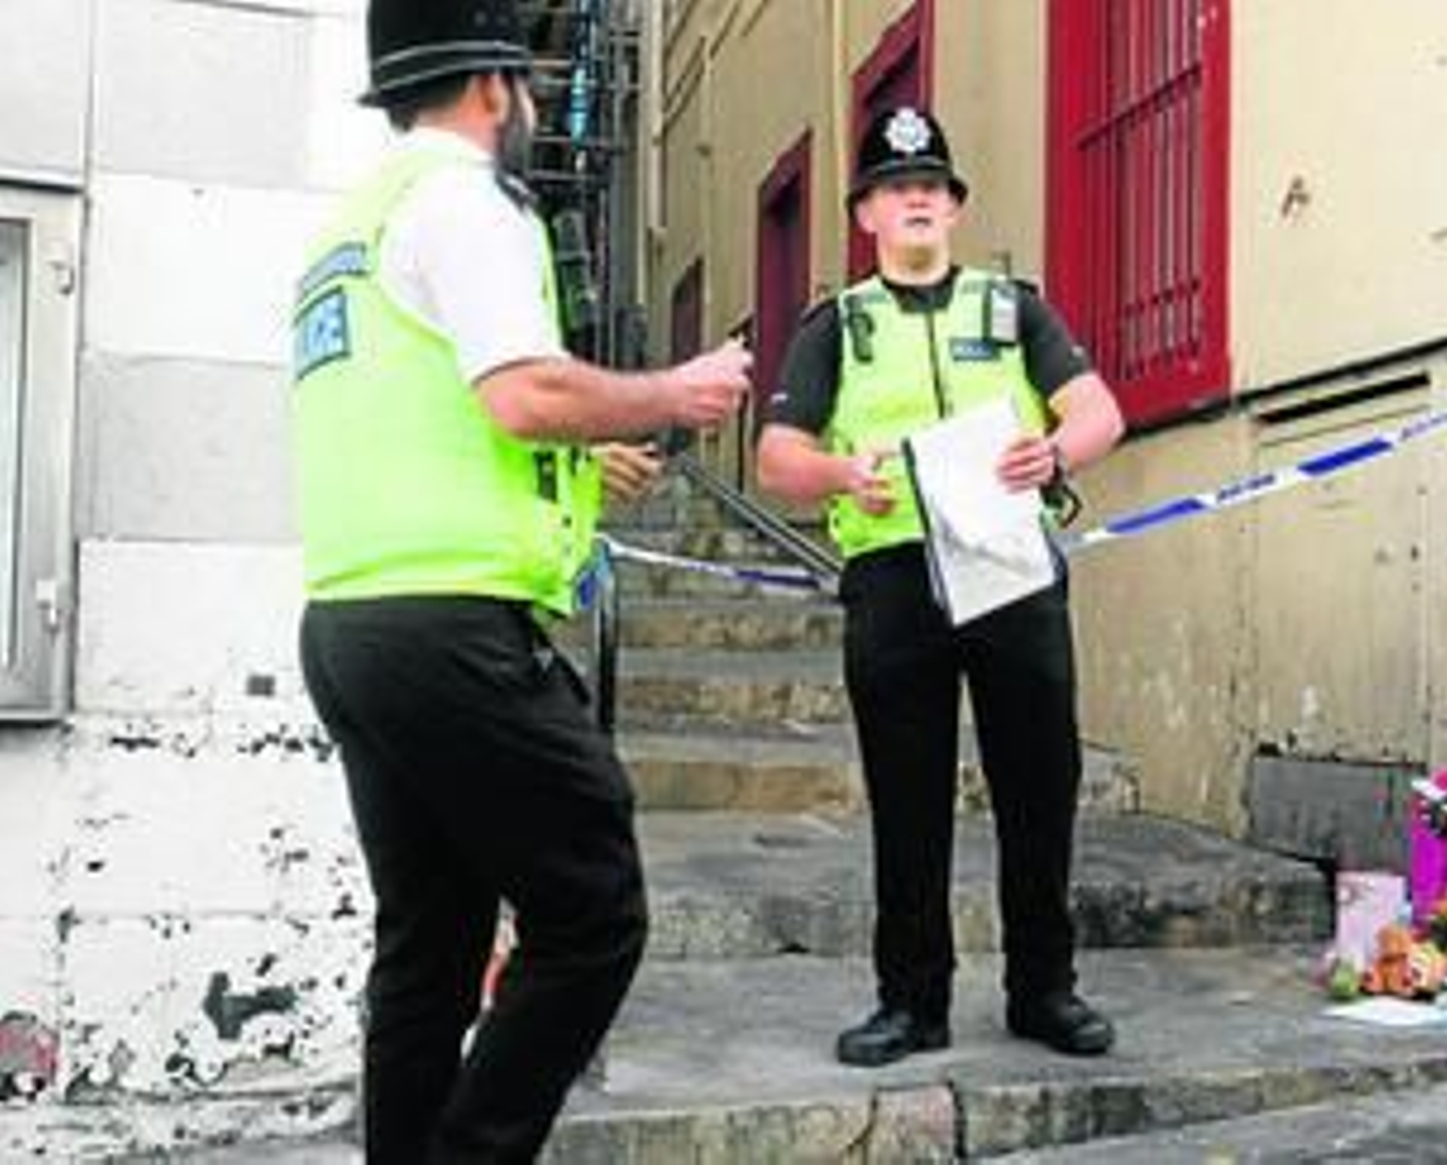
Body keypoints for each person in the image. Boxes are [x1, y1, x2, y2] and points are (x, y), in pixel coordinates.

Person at [291, 1, 750, 1158]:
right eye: (530, 88)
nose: (536, 109)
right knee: (592, 910)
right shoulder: (467, 200)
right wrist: (670, 389)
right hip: (450, 632)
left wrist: (582, 461)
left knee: (430, 946)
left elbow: (436, 413)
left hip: (355, 623)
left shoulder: (353, 225)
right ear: (496, 86)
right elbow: (521, 389)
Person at [756, 106, 1126, 1068]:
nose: (915, 197)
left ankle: (1044, 990)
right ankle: (911, 1001)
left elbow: (1099, 411)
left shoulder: (1013, 308)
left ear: (954, 207)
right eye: (893, 186)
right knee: (908, 798)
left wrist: (1054, 450)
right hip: (894, 578)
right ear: (867, 214)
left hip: (1008, 567)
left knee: (1039, 788)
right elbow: (777, 457)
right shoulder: (836, 324)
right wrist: (843, 476)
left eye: (932, 186)